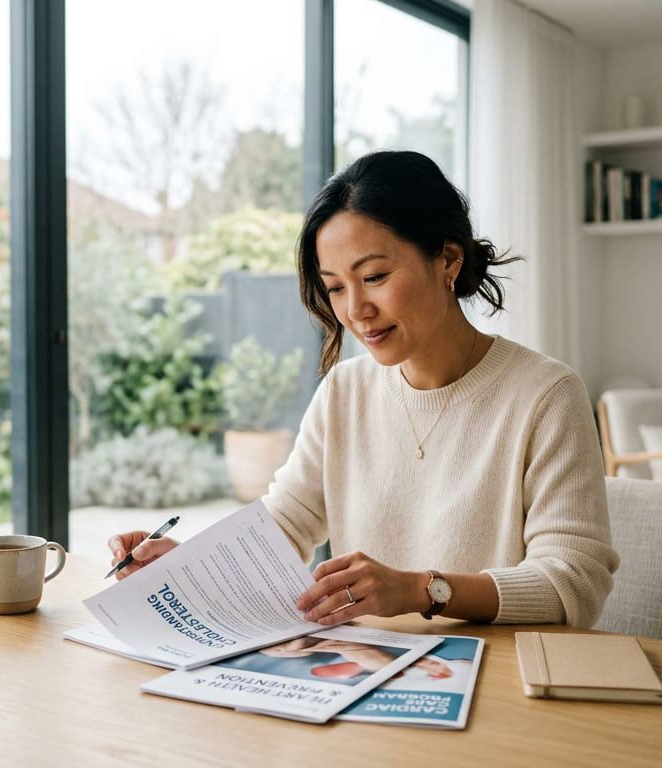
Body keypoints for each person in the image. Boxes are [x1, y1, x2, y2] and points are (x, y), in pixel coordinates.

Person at [108, 149, 618, 628]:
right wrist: (190, 566)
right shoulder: (345, 390)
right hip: (363, 675)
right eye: (334, 287)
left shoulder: (546, 395)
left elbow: (574, 582)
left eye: (374, 276)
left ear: (448, 260)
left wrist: (422, 590)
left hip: (495, 683)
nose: (355, 310)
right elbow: (284, 524)